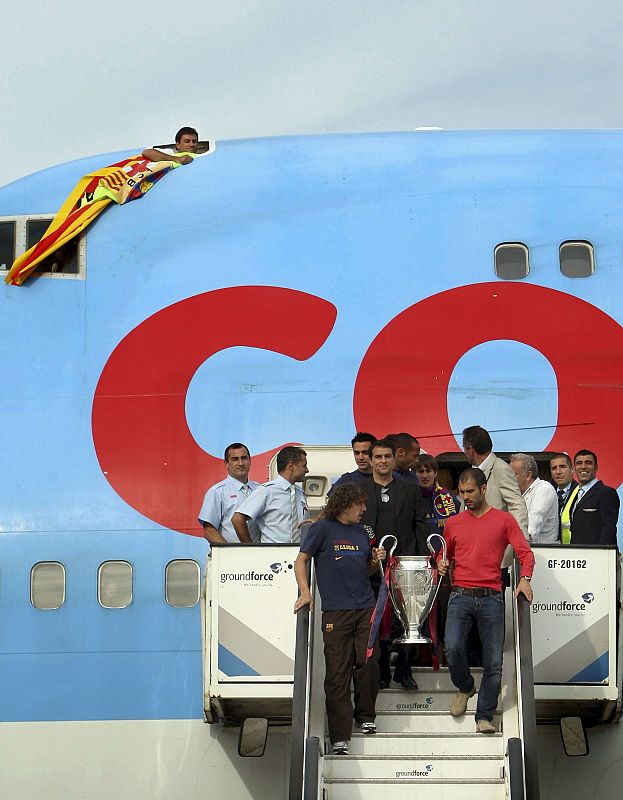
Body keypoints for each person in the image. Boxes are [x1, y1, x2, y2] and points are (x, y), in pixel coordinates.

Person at [439, 468, 535, 734]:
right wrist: (441, 563)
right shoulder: (454, 523)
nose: (466, 496)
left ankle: (484, 717)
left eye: (470, 491)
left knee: (494, 662)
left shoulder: (504, 520)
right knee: (453, 648)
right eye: (462, 492)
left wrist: (524, 578)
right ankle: (465, 686)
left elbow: (525, 554)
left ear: (484, 489)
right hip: (459, 595)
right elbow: (443, 556)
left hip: (492, 596)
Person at [293, 484, 386, 756]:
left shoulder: (360, 532)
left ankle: (366, 716)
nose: (364, 509)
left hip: (365, 607)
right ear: (346, 504)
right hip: (336, 611)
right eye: (360, 504)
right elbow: (301, 560)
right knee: (337, 672)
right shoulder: (321, 530)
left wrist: (375, 560)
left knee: (368, 663)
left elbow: (367, 568)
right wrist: (306, 592)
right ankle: (340, 736)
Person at [360, 439, 429, 689]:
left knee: (408, 622)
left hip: (404, 569)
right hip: (370, 570)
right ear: (371, 459)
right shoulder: (360, 490)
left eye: (387, 456)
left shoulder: (410, 490)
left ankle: (404, 671)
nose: (383, 461)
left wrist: (424, 563)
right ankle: (380, 673)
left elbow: (420, 526)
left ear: (393, 458)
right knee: (375, 623)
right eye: (378, 457)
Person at [462, 426, 529, 557]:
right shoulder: (473, 470)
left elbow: (517, 505)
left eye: (464, 447)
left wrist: (519, 541)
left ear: (470, 449)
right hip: (473, 550)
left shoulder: (501, 468)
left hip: (495, 552)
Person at [232, 446, 309, 543]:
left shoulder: (300, 493)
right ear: (291, 466)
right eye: (304, 465)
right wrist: (250, 548)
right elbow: (238, 519)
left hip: (299, 553)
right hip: (273, 554)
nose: (307, 470)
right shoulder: (267, 491)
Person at [198, 442, 260, 544]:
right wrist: (229, 552)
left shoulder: (260, 489)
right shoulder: (217, 492)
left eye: (244, 458)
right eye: (235, 459)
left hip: (260, 555)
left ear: (250, 461)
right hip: (232, 557)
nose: (240, 463)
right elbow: (209, 530)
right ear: (226, 464)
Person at [567, 450, 620, 546]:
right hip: (578, 556)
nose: (583, 466)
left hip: (598, 557)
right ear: (574, 468)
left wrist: (599, 555)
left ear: (596, 467)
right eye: (579, 463)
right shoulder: (576, 494)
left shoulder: (606, 493)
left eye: (588, 463)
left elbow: (608, 530)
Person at [510, 453, 559, 543]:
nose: (509, 479)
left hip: (542, 553)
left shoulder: (544, 489)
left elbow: (531, 530)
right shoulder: (515, 494)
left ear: (528, 475)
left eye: (513, 475)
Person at [550, 452, 579, 543]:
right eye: (554, 468)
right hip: (548, 549)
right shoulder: (547, 492)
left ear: (572, 469)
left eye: (562, 467)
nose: (558, 472)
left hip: (575, 550)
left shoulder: (581, 493)